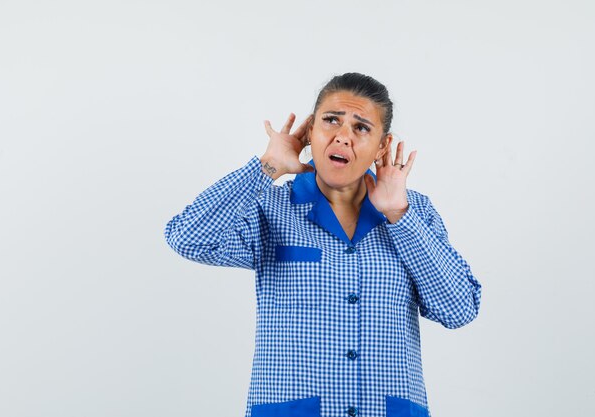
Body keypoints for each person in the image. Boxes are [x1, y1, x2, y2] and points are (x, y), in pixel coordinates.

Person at [164, 72, 482, 417]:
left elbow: (459, 310)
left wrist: (398, 214)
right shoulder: (271, 207)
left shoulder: (413, 212)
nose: (343, 137)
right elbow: (187, 239)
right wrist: (267, 167)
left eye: (361, 127)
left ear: (382, 146)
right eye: (331, 121)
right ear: (310, 131)